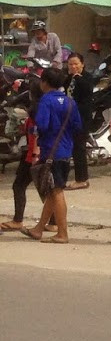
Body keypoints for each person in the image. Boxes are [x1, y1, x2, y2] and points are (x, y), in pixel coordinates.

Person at [23, 67, 80, 243]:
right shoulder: (70, 102)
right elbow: (77, 126)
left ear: (44, 83)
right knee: (52, 191)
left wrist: (31, 130)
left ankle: (62, 233)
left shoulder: (46, 101)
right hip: (65, 150)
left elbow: (42, 125)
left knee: (56, 191)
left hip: (51, 151)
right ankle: (39, 228)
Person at [0, 80, 40, 234]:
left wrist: (34, 153)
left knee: (19, 185)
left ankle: (18, 220)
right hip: (36, 153)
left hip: (32, 154)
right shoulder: (43, 106)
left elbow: (36, 133)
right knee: (46, 188)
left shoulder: (37, 109)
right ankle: (52, 221)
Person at [65, 51, 95, 189]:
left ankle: (82, 179)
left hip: (81, 117)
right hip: (69, 117)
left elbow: (87, 91)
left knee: (79, 148)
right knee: (71, 148)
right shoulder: (68, 78)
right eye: (70, 64)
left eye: (76, 64)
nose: (73, 67)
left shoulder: (87, 78)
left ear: (82, 64)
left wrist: (78, 78)